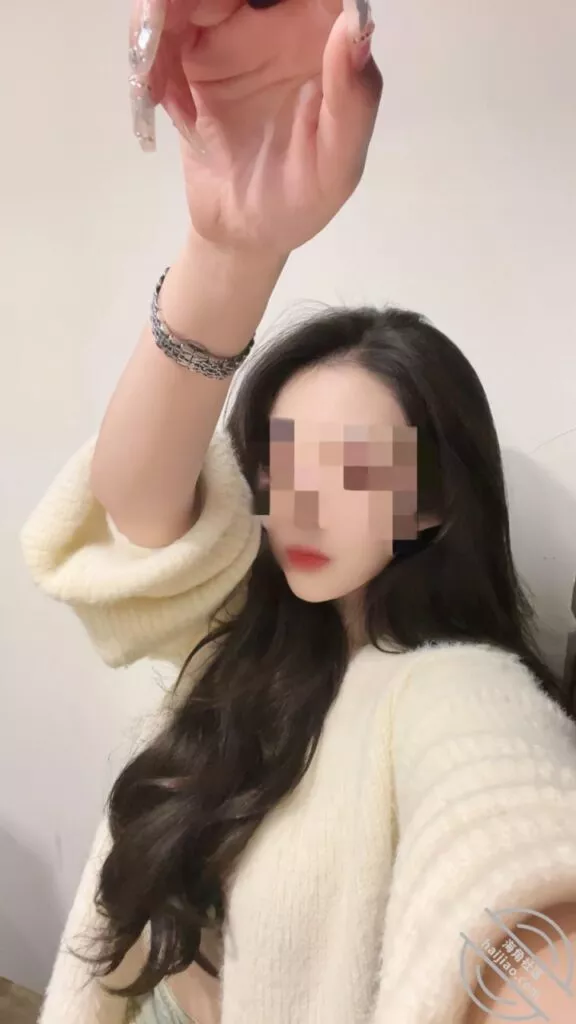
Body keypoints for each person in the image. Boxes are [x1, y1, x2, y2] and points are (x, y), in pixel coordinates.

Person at [20, 1, 576, 1023]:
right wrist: (226, 251)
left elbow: (508, 848)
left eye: (355, 469)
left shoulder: (450, 692)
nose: (302, 507)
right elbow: (132, 504)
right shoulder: (240, 634)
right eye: (282, 466)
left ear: (432, 502)